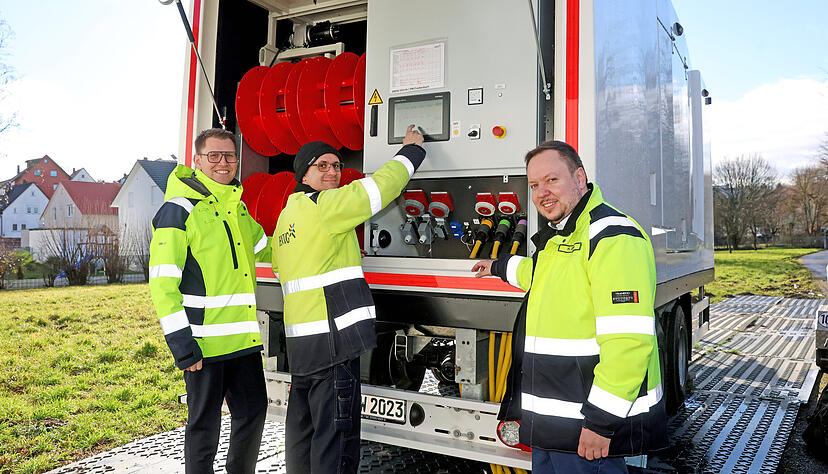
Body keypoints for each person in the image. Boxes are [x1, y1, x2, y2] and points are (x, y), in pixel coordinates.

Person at [472, 140, 667, 473]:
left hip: (586, 434)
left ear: (579, 178)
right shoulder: (560, 238)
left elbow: (628, 342)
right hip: (552, 430)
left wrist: (601, 423)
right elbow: (541, 276)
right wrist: (499, 265)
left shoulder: (612, 237)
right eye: (534, 185)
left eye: (552, 180)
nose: (542, 192)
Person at [272, 125, 425, 473]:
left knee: (304, 434)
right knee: (336, 440)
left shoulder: (287, 216)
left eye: (337, 166)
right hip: (333, 343)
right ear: (304, 175)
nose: (332, 172)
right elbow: (378, 189)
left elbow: (281, 268)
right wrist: (412, 151)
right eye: (321, 165)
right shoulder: (327, 205)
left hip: (302, 348)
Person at [149, 128, 272, 474]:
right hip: (202, 346)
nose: (223, 163)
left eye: (229, 156)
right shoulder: (178, 210)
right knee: (204, 430)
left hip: (243, 344)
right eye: (214, 156)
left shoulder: (238, 207)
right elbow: (162, 282)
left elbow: (268, 249)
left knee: (253, 414)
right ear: (197, 161)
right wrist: (181, 345)